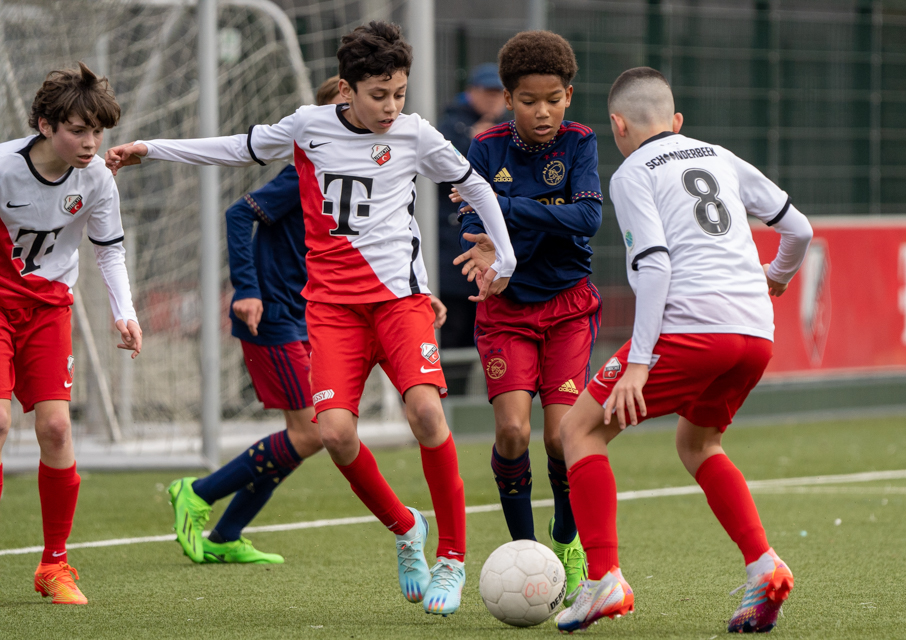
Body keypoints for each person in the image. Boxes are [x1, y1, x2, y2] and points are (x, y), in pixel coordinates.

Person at [107, 21, 515, 616]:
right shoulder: (308, 126)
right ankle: (406, 530)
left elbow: (475, 186)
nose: (391, 106)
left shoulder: (415, 134)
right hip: (330, 311)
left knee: (426, 411)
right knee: (333, 432)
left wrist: (503, 256)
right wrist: (153, 149)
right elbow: (236, 147)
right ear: (346, 89)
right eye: (379, 94)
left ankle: (452, 559)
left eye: (399, 92)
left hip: (398, 303)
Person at [554, 67, 813, 633]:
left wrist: (639, 361)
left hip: (691, 330)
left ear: (617, 126)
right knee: (698, 442)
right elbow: (800, 229)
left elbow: (655, 263)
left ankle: (602, 580)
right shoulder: (718, 154)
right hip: (754, 334)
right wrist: (776, 277)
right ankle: (763, 565)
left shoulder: (630, 172)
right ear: (676, 122)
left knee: (577, 431)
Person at [164, 76, 346, 565]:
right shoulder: (300, 174)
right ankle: (197, 492)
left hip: (304, 317)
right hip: (273, 317)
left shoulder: (347, 181)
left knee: (299, 436)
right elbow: (237, 215)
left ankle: (225, 536)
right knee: (310, 433)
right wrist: (246, 290)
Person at [450, 31, 602, 604]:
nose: (544, 112)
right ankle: (527, 553)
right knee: (513, 432)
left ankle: (566, 538)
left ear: (569, 95)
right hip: (507, 311)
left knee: (562, 436)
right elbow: (469, 225)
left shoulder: (580, 142)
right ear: (507, 99)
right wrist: (517, 222)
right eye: (529, 100)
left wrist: (505, 211)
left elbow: (587, 219)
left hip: (567, 307)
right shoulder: (486, 147)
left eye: (554, 99)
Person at [0, 62, 141, 605]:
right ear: (44, 125)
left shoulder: (97, 178)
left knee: (56, 430)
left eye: (97, 132)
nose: (90, 143)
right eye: (78, 130)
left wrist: (123, 312)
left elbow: (109, 250)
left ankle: (54, 566)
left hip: (48, 310)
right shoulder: (5, 168)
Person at [436, 64, 507, 391]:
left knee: (485, 339)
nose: (494, 100)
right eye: (488, 92)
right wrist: (471, 142)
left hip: (497, 256)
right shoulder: (450, 126)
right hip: (455, 254)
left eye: (498, 94)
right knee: (454, 335)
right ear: (471, 92)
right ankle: (449, 408)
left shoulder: (508, 130)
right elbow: (446, 180)